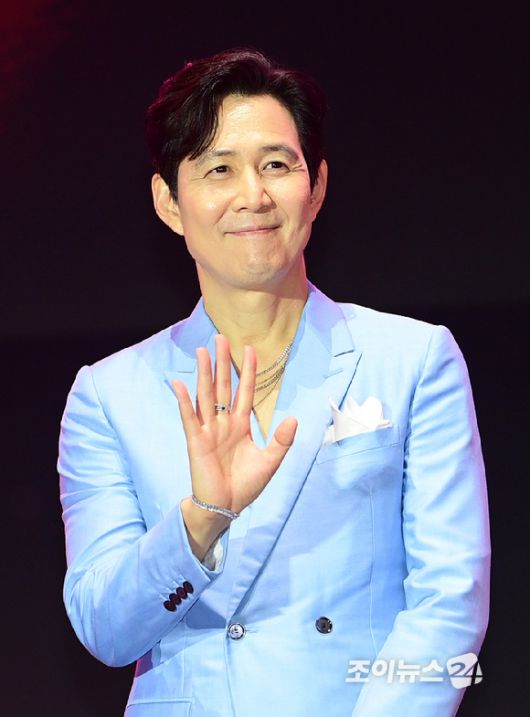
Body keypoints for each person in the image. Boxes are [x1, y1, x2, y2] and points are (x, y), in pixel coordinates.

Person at [58, 48, 490, 717]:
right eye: (219, 169)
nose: (253, 196)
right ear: (169, 202)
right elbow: (105, 629)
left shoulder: (411, 358)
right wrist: (202, 520)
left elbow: (450, 600)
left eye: (276, 165)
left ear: (316, 186)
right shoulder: (110, 395)